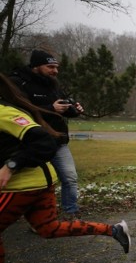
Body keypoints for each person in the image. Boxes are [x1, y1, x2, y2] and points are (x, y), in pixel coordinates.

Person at [0, 73, 130, 263]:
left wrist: (11, 166)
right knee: (48, 228)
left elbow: (43, 141)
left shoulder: (4, 112)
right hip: (42, 180)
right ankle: (113, 230)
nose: (55, 70)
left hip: (23, 184)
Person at [9, 50, 84, 219]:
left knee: (70, 177)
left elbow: (63, 109)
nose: (55, 71)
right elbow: (17, 112)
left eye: (56, 67)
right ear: (36, 66)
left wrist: (74, 110)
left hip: (57, 140)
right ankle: (38, 219)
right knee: (37, 183)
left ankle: (70, 214)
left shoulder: (53, 84)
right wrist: (51, 108)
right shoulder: (18, 83)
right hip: (31, 144)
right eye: (50, 67)